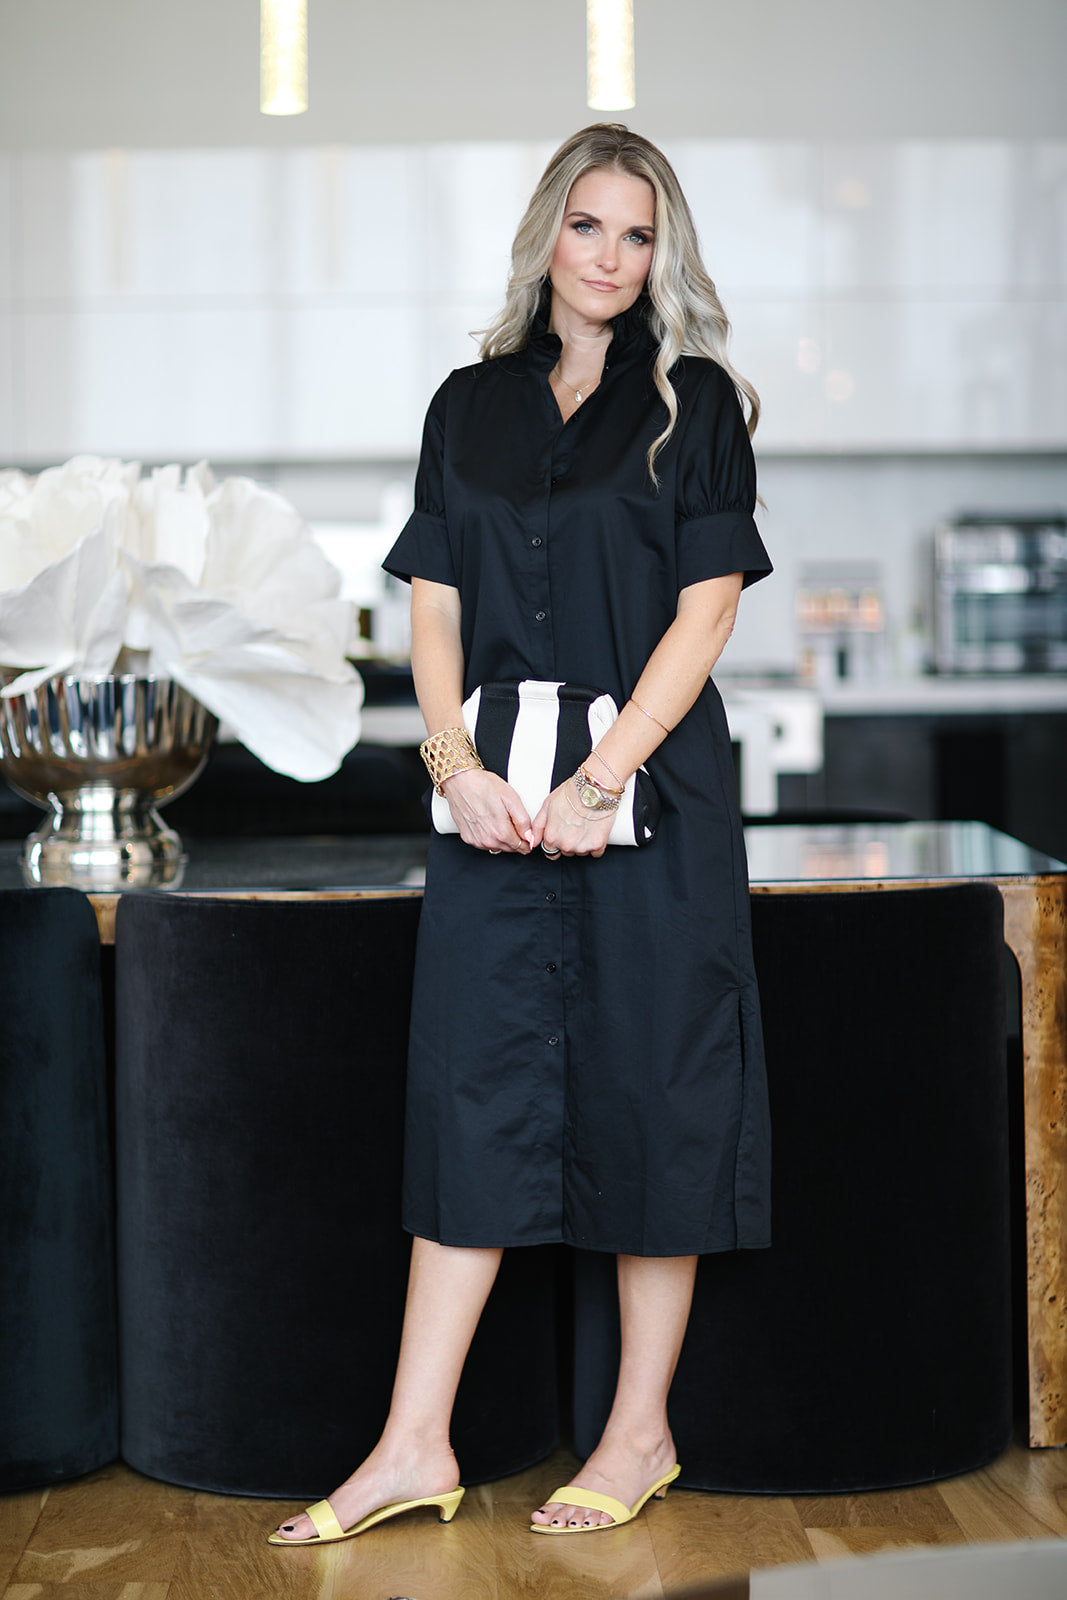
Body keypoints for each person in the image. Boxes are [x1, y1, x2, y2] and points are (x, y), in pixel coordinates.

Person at [270, 122, 773, 1547]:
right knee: (470, 1099)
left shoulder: (698, 403)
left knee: (653, 1101)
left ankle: (638, 1434)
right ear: (546, 236)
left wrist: (605, 773)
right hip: (489, 804)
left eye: (638, 234)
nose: (611, 257)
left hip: (649, 798)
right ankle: (411, 1444)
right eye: (588, 227)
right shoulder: (465, 404)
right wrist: (457, 761)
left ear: (660, 252)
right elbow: (432, 602)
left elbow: (710, 606)